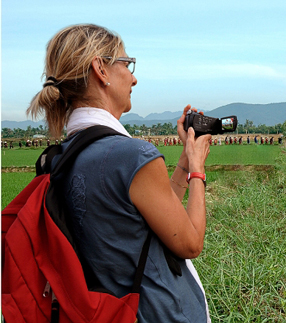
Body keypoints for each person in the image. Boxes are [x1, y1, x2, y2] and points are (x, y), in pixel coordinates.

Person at [26, 24, 211, 322]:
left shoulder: (65, 155)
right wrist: (198, 171)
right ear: (100, 68)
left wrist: (184, 164)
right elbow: (190, 243)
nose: (133, 77)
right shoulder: (132, 154)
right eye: (127, 63)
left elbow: (152, 217)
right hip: (159, 313)